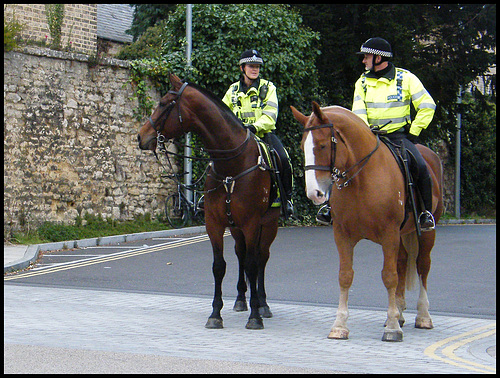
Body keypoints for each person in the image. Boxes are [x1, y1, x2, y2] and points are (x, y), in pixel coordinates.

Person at [316, 37, 437, 231]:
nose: (364, 61)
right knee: (339, 160)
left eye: (367, 56)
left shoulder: (406, 79)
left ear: (379, 58)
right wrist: (363, 133)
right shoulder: (362, 82)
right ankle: (329, 207)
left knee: (420, 165)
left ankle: (425, 213)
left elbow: (427, 105)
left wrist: (414, 131)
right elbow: (358, 112)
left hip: (398, 137)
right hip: (369, 137)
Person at [200, 49, 294, 218]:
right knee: (214, 160)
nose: (255, 69)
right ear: (242, 68)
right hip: (236, 139)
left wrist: (254, 127)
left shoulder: (268, 87)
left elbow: (271, 115)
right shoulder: (232, 90)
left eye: (257, 66)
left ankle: (286, 199)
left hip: (262, 135)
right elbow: (222, 114)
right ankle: (207, 196)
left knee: (284, 158)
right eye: (251, 66)